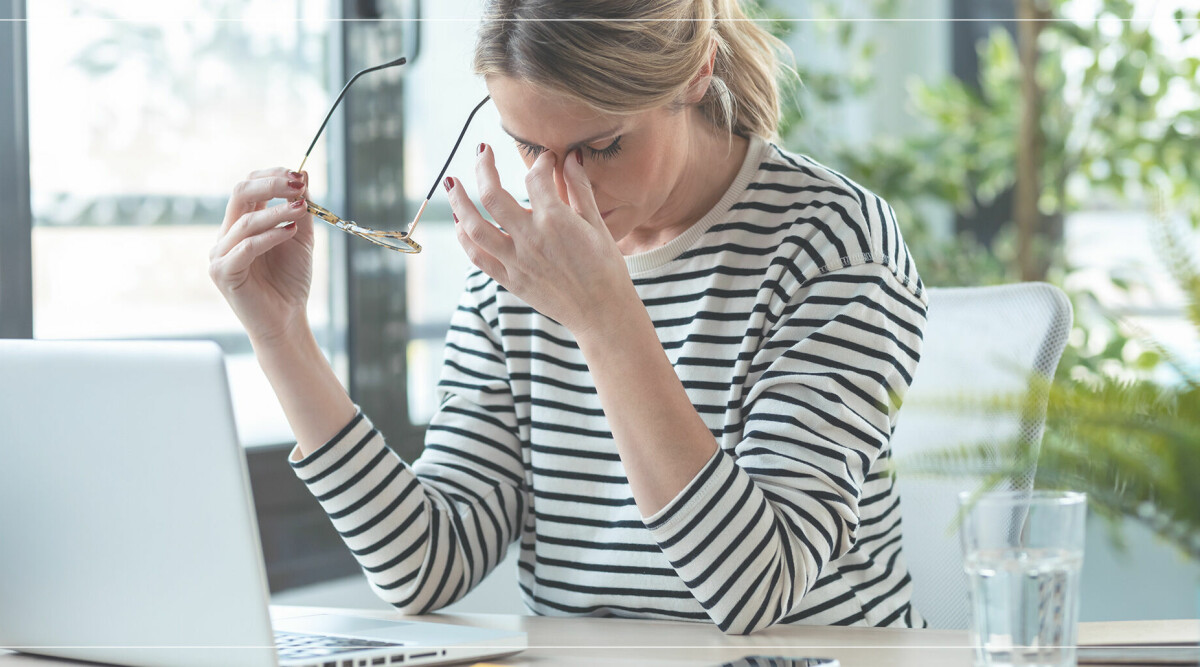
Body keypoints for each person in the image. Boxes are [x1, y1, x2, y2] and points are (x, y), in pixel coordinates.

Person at [209, 0, 928, 634]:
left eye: (603, 146)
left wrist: (604, 317)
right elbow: (425, 564)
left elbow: (755, 588)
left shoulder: (832, 241)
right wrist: (282, 336)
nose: (559, 186)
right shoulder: (520, 266)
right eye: (529, 147)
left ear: (696, 73)